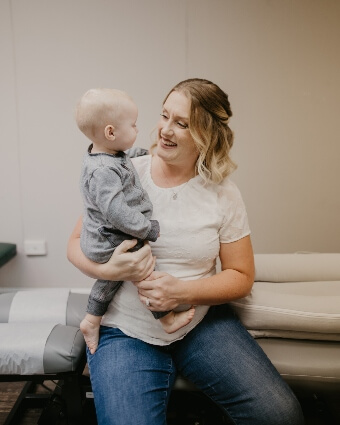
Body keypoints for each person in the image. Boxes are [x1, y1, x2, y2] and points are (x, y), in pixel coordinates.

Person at [68, 79, 305, 425]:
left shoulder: (224, 194)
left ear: (207, 134)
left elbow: (241, 277)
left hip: (200, 324)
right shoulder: (122, 171)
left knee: (280, 416)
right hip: (126, 331)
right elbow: (74, 245)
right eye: (165, 116)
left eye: (182, 123)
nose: (165, 130)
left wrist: (181, 292)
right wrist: (110, 271)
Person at [75, 88, 195, 354]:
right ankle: (165, 318)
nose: (138, 129)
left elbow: (124, 160)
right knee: (144, 272)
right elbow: (115, 211)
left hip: (107, 234)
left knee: (117, 279)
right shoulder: (103, 172)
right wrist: (146, 228)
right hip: (110, 237)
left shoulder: (108, 154)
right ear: (110, 132)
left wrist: (141, 154)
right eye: (132, 125)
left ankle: (92, 319)